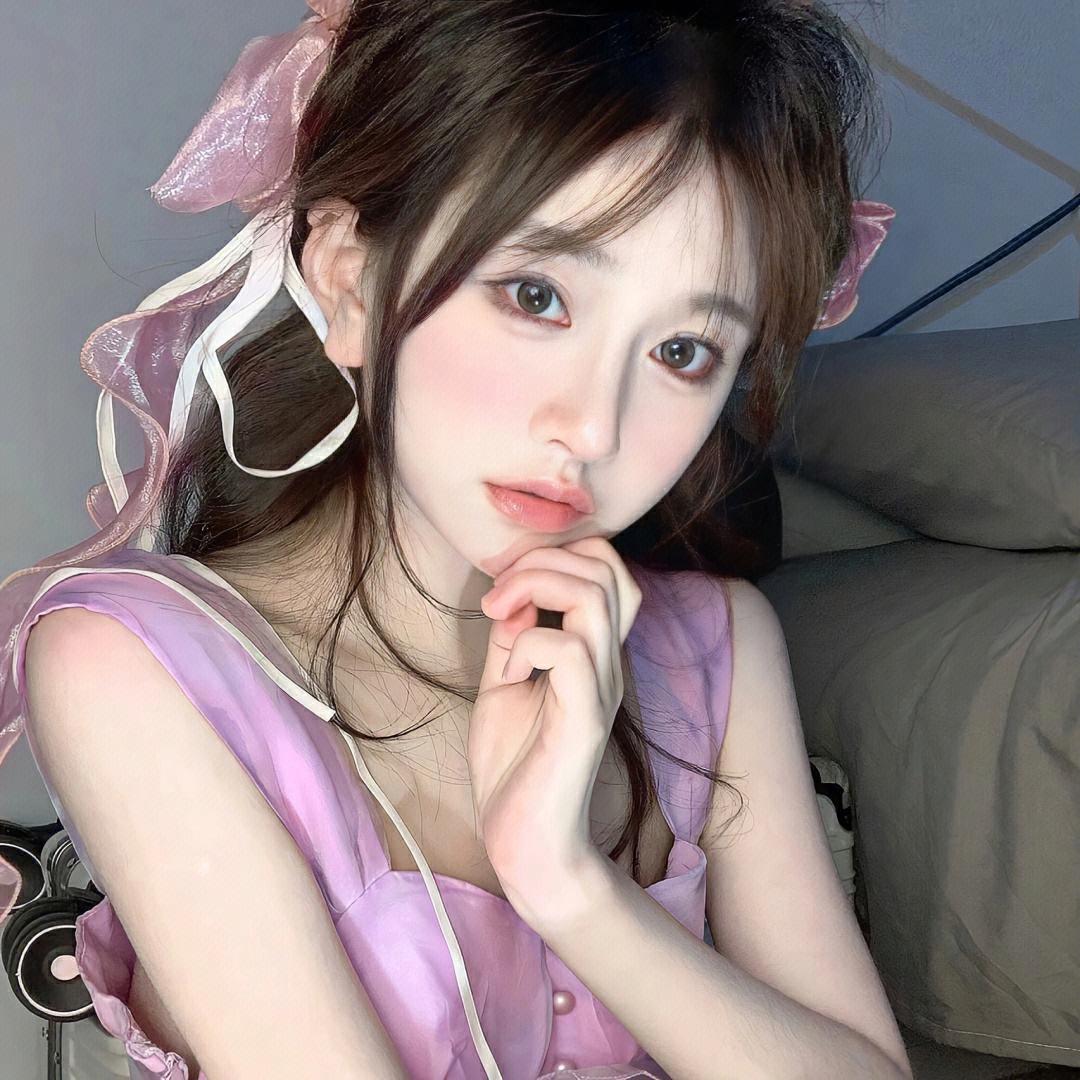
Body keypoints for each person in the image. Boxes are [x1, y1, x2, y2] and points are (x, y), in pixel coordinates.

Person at [0, 2, 904, 1077]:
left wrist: (570, 886)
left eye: (683, 351)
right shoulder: (135, 663)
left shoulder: (714, 649)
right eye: (537, 295)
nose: (595, 429)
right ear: (348, 278)